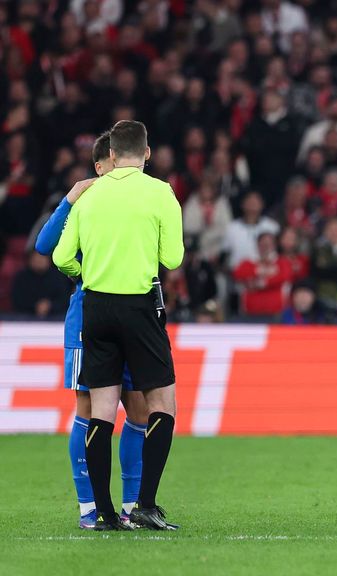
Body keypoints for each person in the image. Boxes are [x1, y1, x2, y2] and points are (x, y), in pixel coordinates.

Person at [52, 120, 184, 531]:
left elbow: (60, 257)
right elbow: (174, 257)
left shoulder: (91, 195)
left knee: (101, 410)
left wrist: (87, 273)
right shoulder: (160, 192)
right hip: (139, 308)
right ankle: (144, 504)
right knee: (161, 404)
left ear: (111, 156)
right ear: (147, 153)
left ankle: (104, 512)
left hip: (97, 308)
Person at [35, 131, 149, 529]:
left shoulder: (138, 199)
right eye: (108, 165)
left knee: (138, 408)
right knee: (87, 409)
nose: (115, 171)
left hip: (132, 315)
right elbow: (45, 245)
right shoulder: (85, 202)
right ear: (101, 166)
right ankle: (88, 507)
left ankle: (133, 506)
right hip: (88, 317)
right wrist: (70, 197)